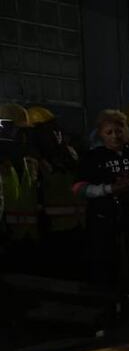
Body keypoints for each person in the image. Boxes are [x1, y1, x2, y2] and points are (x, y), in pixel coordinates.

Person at [74, 109, 129, 299]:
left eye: (119, 131)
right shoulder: (93, 158)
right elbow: (79, 188)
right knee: (108, 274)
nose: (115, 136)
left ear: (126, 131)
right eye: (109, 132)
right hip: (104, 226)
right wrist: (109, 189)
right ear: (101, 133)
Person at [27, 106, 84, 278]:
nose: (55, 134)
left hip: (64, 229)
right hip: (58, 229)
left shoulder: (63, 155)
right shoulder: (38, 159)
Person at [0, 104, 41, 261]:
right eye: (18, 130)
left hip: (28, 240)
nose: (23, 137)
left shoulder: (29, 162)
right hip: (6, 240)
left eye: (24, 132)